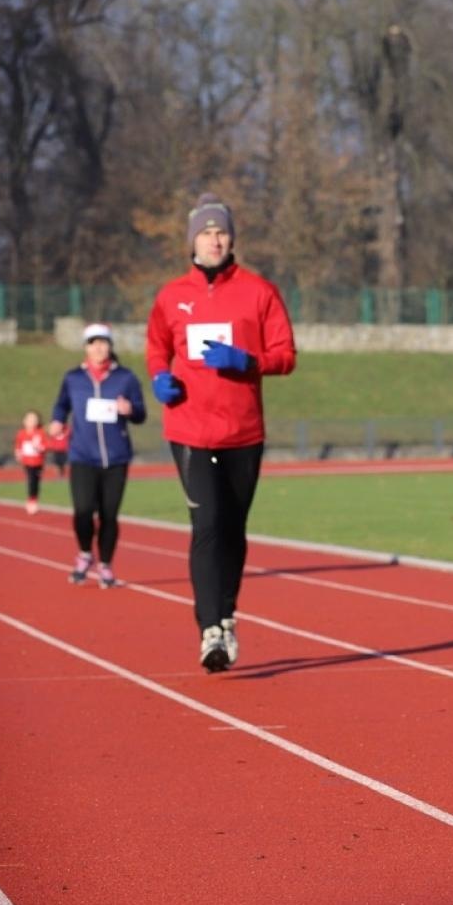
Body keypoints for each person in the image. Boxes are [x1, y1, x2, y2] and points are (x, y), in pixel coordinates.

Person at [146, 192, 296, 672]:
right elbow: (156, 347)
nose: (215, 239)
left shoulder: (259, 292)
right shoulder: (172, 296)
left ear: (232, 238)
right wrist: (159, 380)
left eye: (221, 231)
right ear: (193, 240)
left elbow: (286, 356)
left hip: (242, 431)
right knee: (207, 526)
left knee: (233, 530)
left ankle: (226, 615)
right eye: (207, 232)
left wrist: (247, 361)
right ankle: (210, 627)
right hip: (189, 428)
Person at [50, 323, 147, 588]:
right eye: (93, 343)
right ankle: (84, 553)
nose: (99, 347)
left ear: (110, 346)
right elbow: (61, 405)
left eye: (103, 342)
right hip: (82, 455)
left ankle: (105, 564)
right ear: (86, 348)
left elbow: (140, 413)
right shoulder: (74, 378)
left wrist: (129, 409)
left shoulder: (125, 378)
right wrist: (57, 421)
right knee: (82, 511)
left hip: (116, 458)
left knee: (109, 515)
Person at [13, 410, 48, 514]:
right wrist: (17, 453)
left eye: (34, 419)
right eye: (29, 419)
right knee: (31, 480)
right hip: (27, 462)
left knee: (35, 481)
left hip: (38, 462)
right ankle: (31, 500)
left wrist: (40, 447)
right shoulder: (21, 433)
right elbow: (18, 445)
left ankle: (33, 499)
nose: (31, 421)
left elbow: (45, 445)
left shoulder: (40, 433)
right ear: (24, 421)